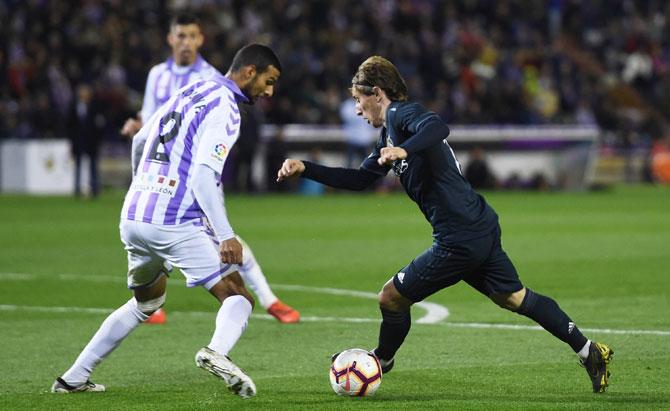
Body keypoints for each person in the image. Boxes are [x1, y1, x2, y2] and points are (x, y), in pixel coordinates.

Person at [277, 56, 614, 394]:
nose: (357, 109)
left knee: (391, 298)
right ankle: (589, 351)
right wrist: (305, 167)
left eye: (357, 99)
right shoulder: (389, 136)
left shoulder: (401, 114)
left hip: (459, 238)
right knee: (514, 298)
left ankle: (381, 361)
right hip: (478, 224)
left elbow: (438, 127)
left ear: (376, 92)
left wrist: (404, 151)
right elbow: (359, 179)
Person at [51, 44, 282, 398]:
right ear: (250, 71)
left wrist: (141, 186)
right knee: (238, 296)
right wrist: (226, 236)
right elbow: (204, 177)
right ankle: (216, 352)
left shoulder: (191, 89)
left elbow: (142, 138)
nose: (269, 91)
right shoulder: (226, 109)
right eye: (269, 80)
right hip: (174, 221)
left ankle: (73, 377)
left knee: (146, 302)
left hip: (134, 214)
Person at [121, 13, 299, 324]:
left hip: (197, 175)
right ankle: (157, 305)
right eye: (181, 36)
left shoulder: (210, 77)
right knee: (221, 241)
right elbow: (150, 122)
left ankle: (268, 300)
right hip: (162, 178)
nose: (186, 42)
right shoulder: (157, 75)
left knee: (225, 240)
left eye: (192, 36)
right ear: (170, 39)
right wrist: (140, 127)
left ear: (200, 40)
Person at [69, 83, 103, 198]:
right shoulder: (74, 107)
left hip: (91, 142)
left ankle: (95, 189)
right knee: (77, 166)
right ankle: (77, 189)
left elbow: (99, 126)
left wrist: (97, 141)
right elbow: (70, 126)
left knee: (93, 166)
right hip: (78, 142)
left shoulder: (95, 107)